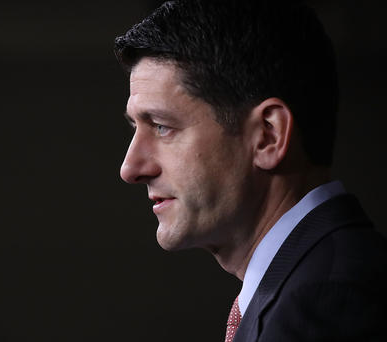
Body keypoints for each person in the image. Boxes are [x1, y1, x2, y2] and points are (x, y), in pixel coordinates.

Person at [114, 0, 387, 341]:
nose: (131, 168)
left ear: (268, 136)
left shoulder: (326, 302)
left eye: (161, 126)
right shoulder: (314, 285)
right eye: (135, 128)